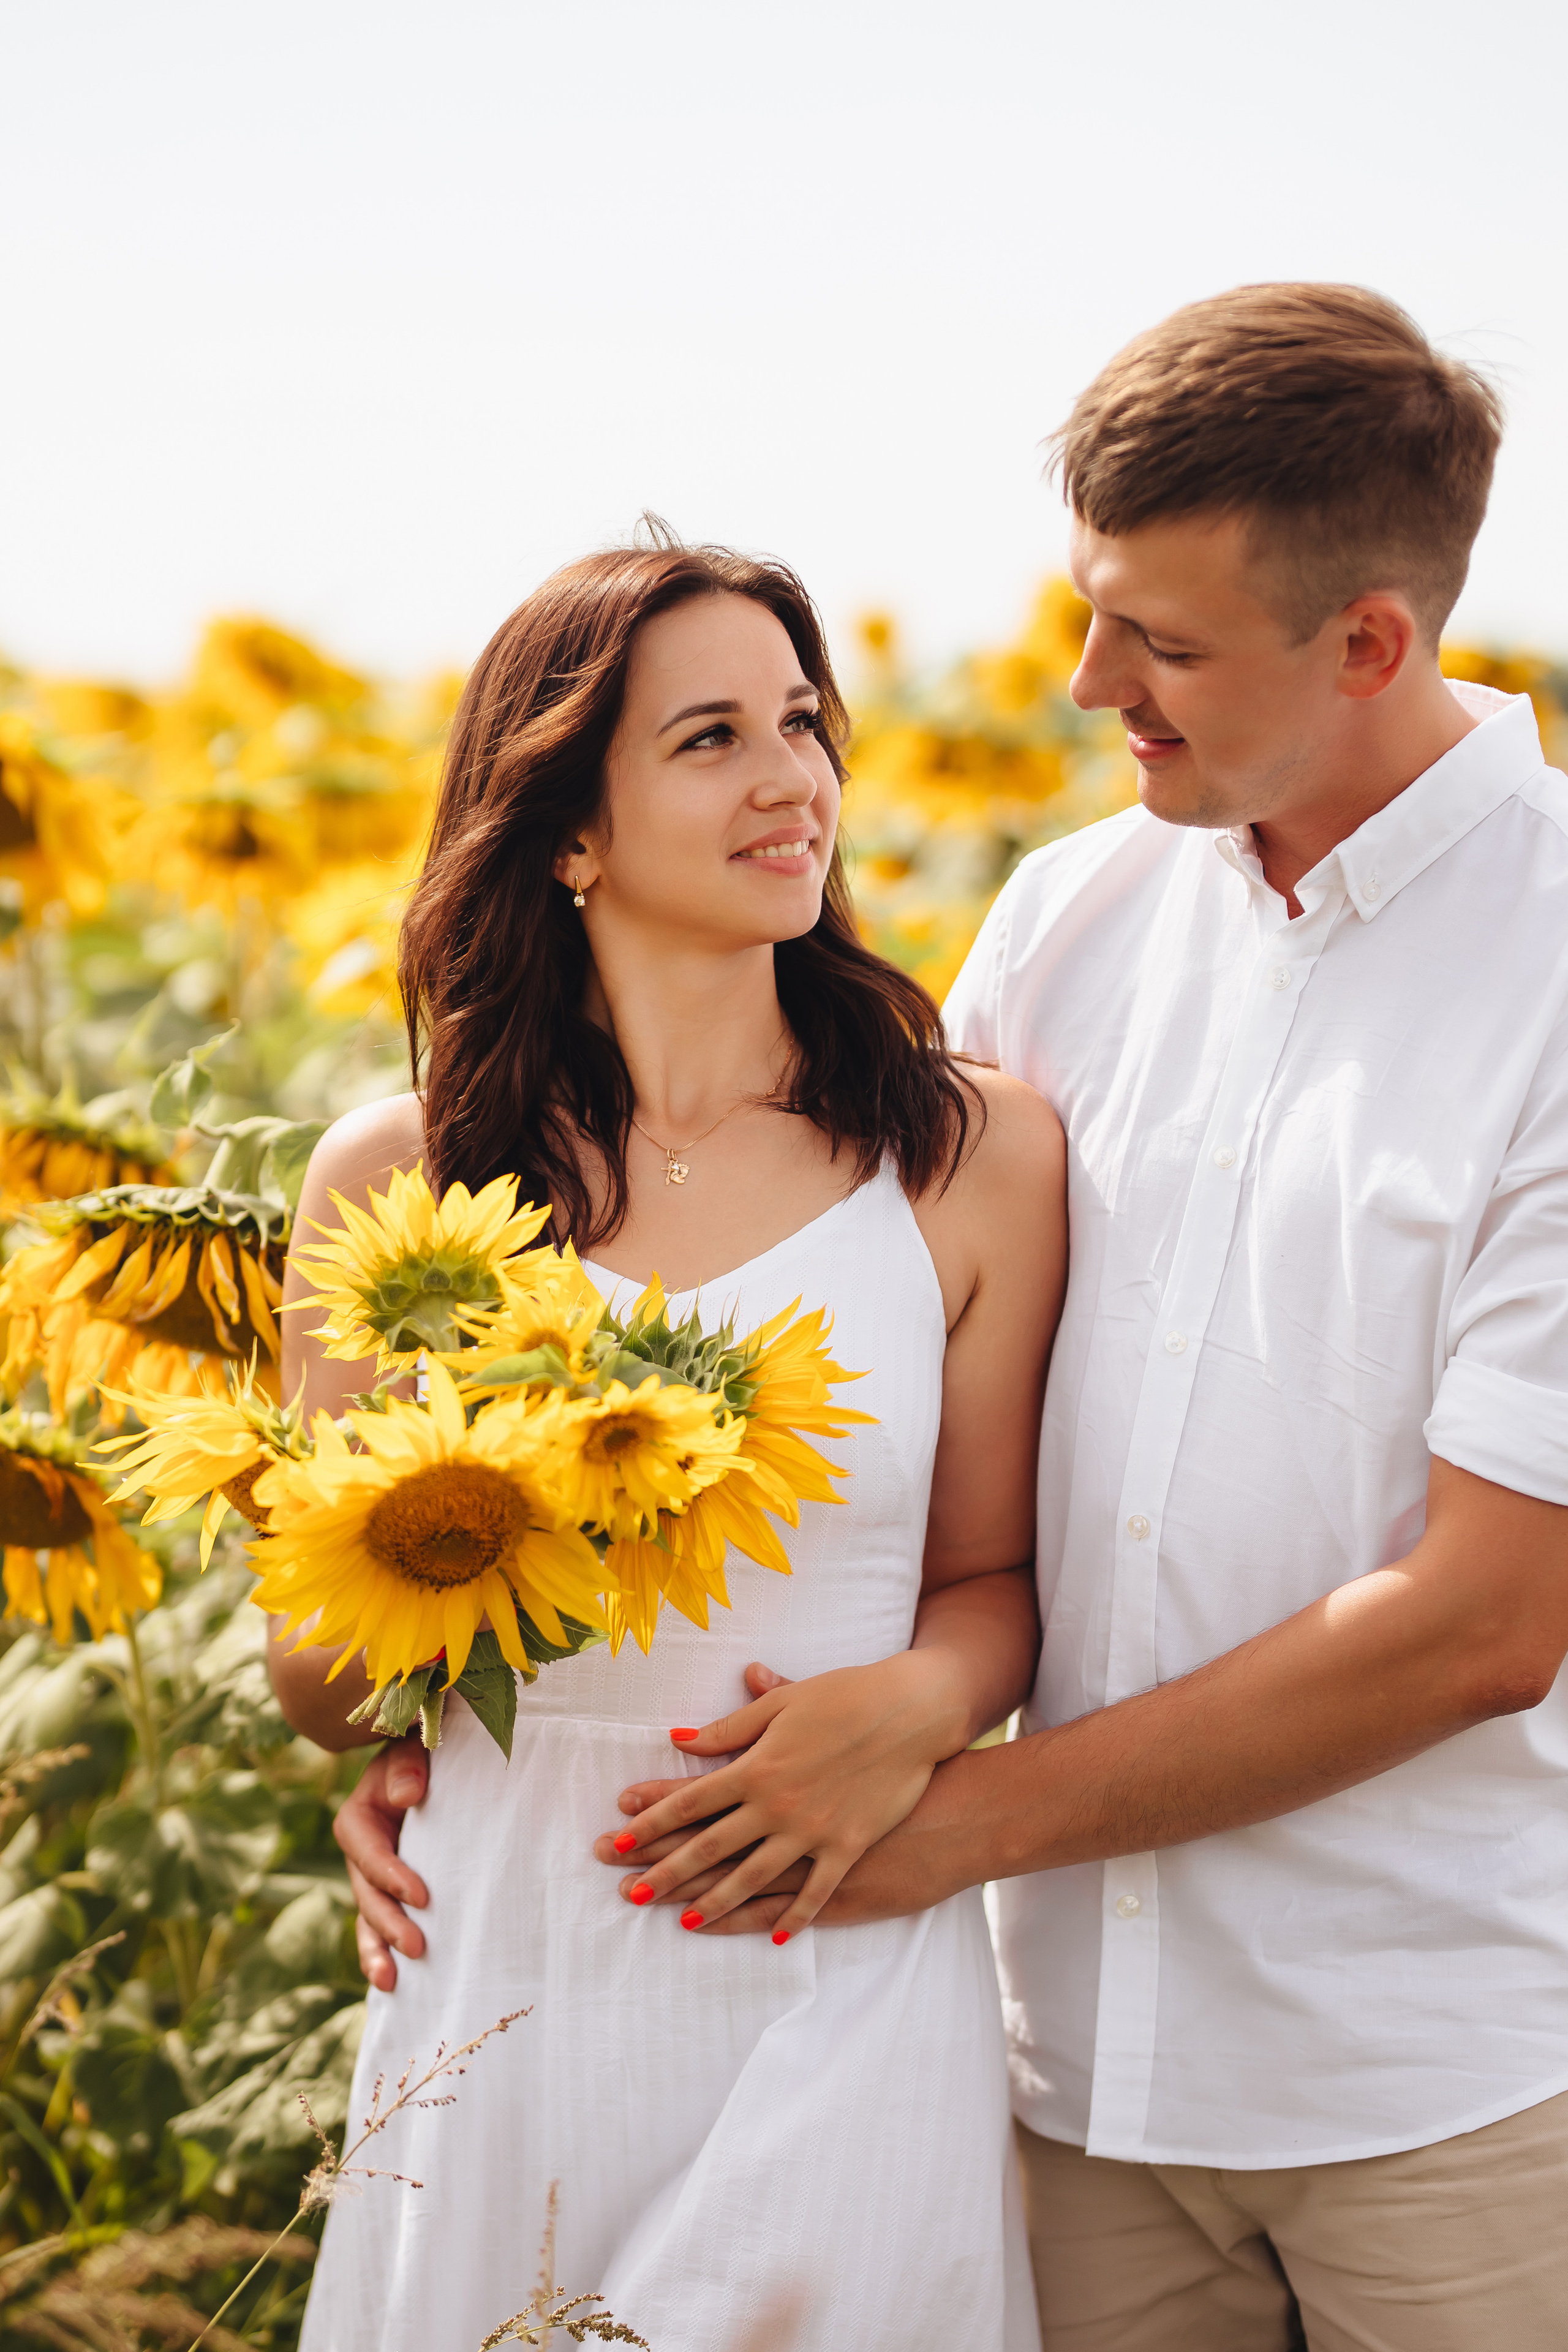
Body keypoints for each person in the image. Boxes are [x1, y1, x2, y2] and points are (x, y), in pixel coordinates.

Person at [342, 285, 1568, 2350]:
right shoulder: (1068, 926)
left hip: (1419, 2082)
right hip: (1052, 2070)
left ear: (1370, 640)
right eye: (1091, 613)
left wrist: (926, 1814)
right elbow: (904, 1432)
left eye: (1159, 644)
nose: (1089, 685)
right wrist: (433, 1707)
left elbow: (1488, 1617)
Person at [272, 532, 1065, 2352]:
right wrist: (452, 1541)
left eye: (804, 721)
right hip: (505, 1951)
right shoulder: (395, 1182)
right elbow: (320, 1676)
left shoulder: (965, 1158)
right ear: (567, 827)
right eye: (710, 738)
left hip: (835, 1923)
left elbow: (997, 1578)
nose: (795, 779)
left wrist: (929, 1700)